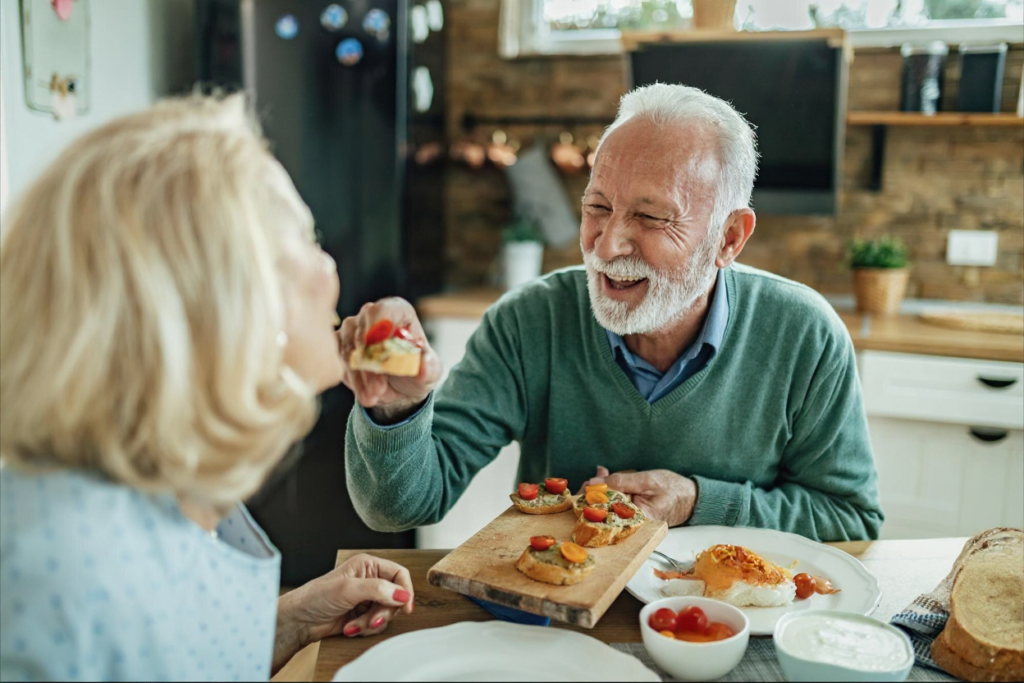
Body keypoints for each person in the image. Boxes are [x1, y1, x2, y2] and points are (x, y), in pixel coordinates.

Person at [340, 83, 883, 542]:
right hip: (560, 619)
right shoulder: (529, 322)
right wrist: (396, 413)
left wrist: (696, 503)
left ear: (729, 238)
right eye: (597, 207)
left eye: (650, 217)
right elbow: (400, 507)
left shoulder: (804, 334)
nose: (607, 245)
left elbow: (851, 522)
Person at [0, 95, 413, 682]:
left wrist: (290, 623)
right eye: (307, 236)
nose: (330, 268)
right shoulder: (51, 587)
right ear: (228, 305)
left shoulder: (169, 487)